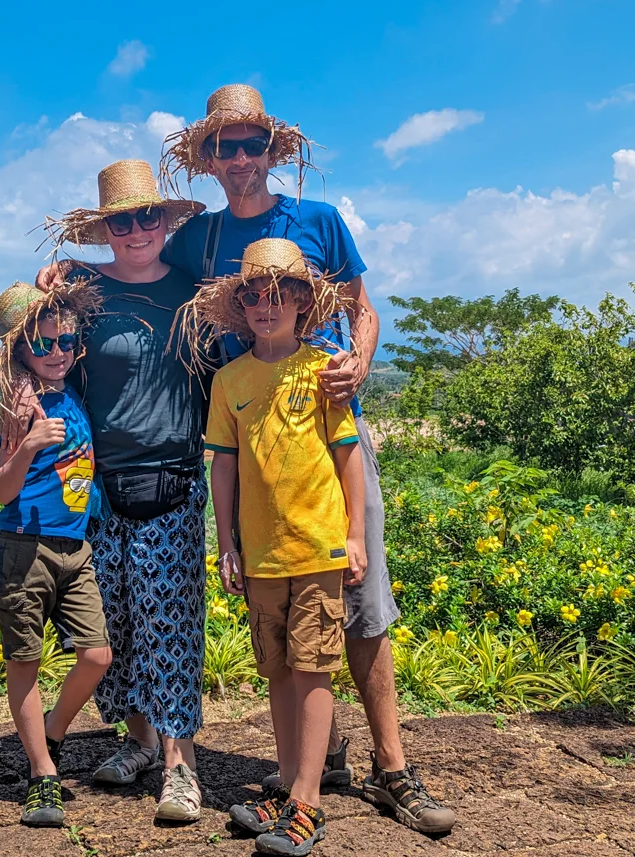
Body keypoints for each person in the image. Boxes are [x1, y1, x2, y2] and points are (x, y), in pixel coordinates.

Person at [159, 85, 455, 834]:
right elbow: (138, 264)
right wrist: (60, 285)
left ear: (272, 150)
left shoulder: (318, 220)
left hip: (331, 438)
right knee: (286, 635)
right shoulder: (199, 240)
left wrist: (358, 360)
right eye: (222, 148)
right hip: (256, 465)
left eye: (250, 144)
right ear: (207, 160)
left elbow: (363, 306)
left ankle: (391, 767)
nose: (238, 160)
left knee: (364, 602)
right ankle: (302, 772)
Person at [43, 159, 211, 822]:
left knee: (172, 625)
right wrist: (44, 291)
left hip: (173, 478)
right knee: (118, 624)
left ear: (167, 221)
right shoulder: (80, 293)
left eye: (148, 216)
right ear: (106, 228)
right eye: (123, 219)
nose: (137, 229)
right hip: (102, 488)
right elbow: (38, 350)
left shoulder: (195, 290)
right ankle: (140, 740)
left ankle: (180, 764)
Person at [193, 238, 366, 856]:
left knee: (314, 669)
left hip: (318, 548)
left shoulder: (324, 369)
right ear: (241, 306)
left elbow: (347, 459)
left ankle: (308, 803)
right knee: (277, 670)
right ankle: (291, 783)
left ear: (301, 302)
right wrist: (226, 542)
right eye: (254, 295)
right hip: (260, 554)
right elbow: (225, 468)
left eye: (280, 294)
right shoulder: (229, 379)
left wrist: (354, 535)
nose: (267, 305)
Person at [0, 280, 112, 828]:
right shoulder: (21, 405)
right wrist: (29, 443)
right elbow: (0, 490)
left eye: (67, 341)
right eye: (43, 344)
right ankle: (42, 776)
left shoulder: (68, 390)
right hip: (25, 548)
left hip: (74, 548)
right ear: (21, 352)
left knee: (97, 655)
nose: (57, 351)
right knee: (26, 661)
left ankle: (53, 737)